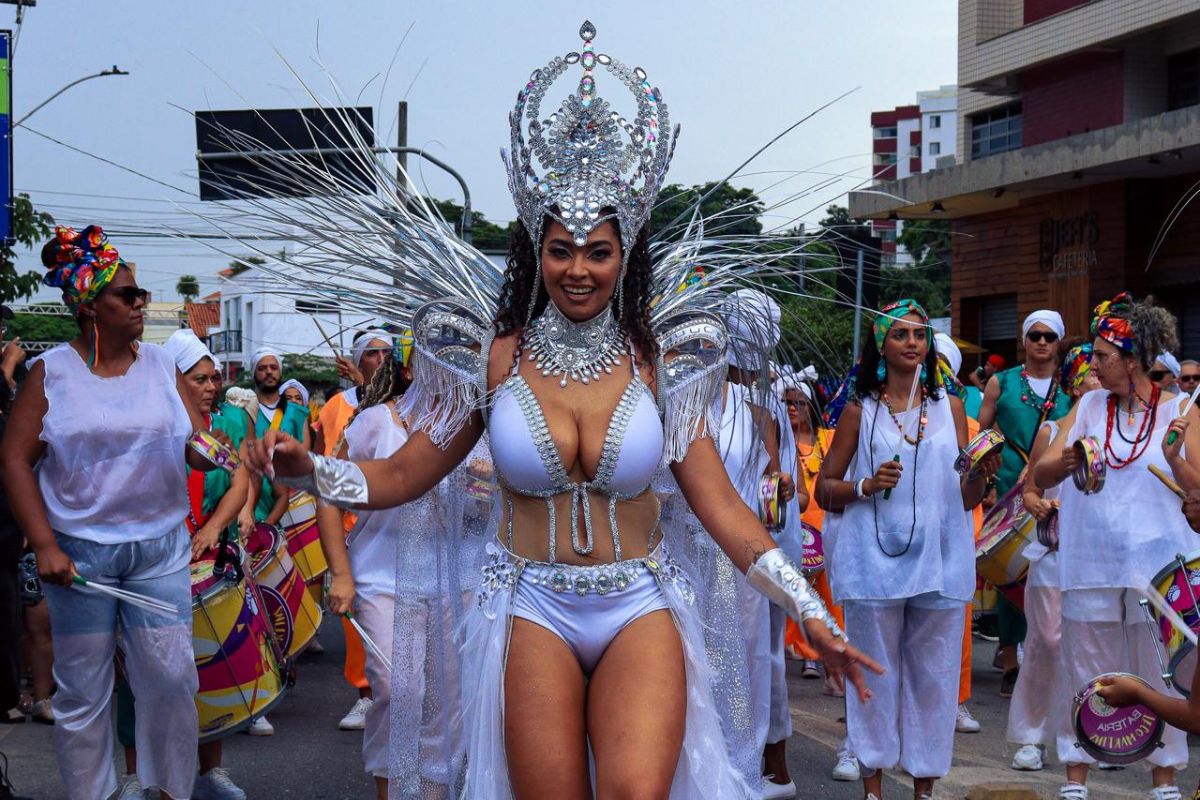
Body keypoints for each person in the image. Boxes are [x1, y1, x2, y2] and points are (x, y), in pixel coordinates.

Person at [244, 21, 878, 798]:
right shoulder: (496, 359)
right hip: (528, 602)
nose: (578, 270)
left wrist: (811, 609)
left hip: (639, 599)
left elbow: (725, 513)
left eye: (598, 251)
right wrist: (311, 470)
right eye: (560, 250)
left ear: (626, 254)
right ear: (533, 253)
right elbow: (403, 475)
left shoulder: (661, 364)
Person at [1, 225, 217, 800]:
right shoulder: (51, 373)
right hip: (81, 556)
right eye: (128, 295)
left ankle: (167, 792)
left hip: (159, 550)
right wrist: (44, 544)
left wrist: (225, 454)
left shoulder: (158, 366)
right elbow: (15, 460)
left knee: (171, 681)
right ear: (90, 306)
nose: (141, 302)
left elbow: (198, 444)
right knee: (84, 693)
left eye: (140, 293)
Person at [816, 299, 997, 800]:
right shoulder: (861, 408)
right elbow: (824, 489)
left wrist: (982, 477)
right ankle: (873, 785)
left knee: (934, 681)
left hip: (939, 562)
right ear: (881, 344)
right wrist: (866, 486)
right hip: (874, 565)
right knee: (874, 674)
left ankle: (924, 788)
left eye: (920, 334)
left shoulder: (951, 407)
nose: (913, 343)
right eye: (901, 334)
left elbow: (963, 497)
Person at [1034, 293, 1200, 800]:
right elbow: (1039, 474)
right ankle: (1076, 773)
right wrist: (1065, 462)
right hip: (1093, 558)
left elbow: (1197, 489)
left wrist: (1174, 457)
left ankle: (1165, 775)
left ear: (1132, 361)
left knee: (1160, 669)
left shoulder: (1181, 410)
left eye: (1103, 356)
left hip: (1159, 562)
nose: (1093, 364)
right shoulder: (1087, 405)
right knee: (1085, 663)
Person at [1007, 343, 1099, 773]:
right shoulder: (1051, 430)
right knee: (1046, 643)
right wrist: (1036, 504)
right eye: (1090, 374)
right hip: (1052, 551)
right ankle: (1030, 735)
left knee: (1088, 647)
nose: (1097, 380)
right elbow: (1029, 489)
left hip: (1097, 558)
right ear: (1075, 382)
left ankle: (1088, 732)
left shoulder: (1120, 435)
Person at [978, 310, 1071, 697]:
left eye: (1050, 336)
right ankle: (1011, 659)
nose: (1042, 342)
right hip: (1007, 486)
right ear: (1024, 339)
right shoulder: (1003, 382)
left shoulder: (1070, 387)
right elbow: (980, 433)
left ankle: (1047, 656)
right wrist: (986, 478)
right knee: (1011, 569)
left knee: (1048, 572)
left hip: (1055, 486)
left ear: (1059, 342)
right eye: (1035, 335)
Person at [313, 328, 392, 732]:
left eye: (387, 353)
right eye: (372, 353)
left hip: (401, 531)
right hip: (353, 527)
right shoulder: (337, 407)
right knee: (362, 623)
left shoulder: (417, 408)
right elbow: (329, 468)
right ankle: (365, 695)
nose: (381, 359)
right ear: (358, 361)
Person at [932, 332, 984, 737]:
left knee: (957, 626)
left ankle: (958, 701)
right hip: (908, 542)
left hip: (955, 534)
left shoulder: (966, 421)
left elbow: (972, 489)